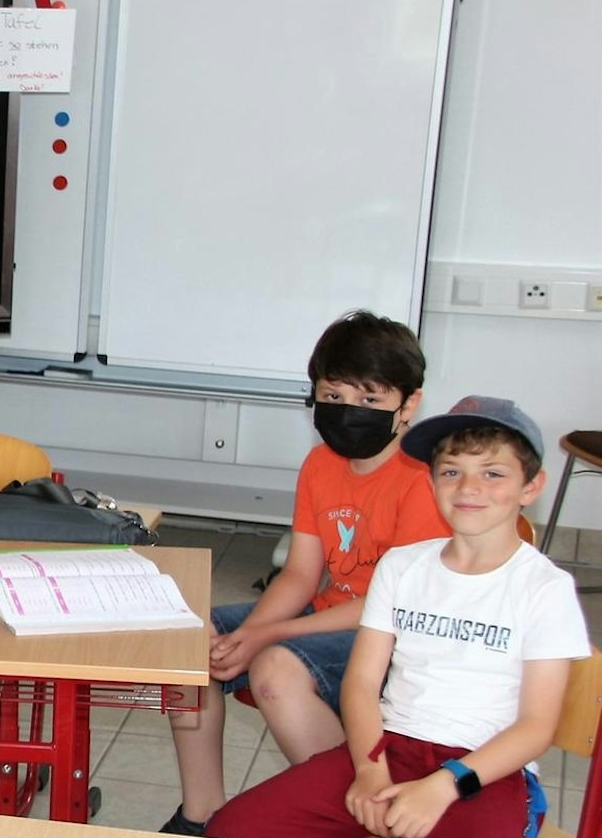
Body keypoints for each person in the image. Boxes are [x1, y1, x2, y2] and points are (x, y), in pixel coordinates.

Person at [207, 396, 587, 838]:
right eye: (451, 472)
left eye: (492, 473)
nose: (468, 488)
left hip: (485, 770)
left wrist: (444, 786)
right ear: (430, 480)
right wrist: (370, 771)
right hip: (390, 749)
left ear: (531, 487)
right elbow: (362, 683)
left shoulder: (545, 588)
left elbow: (537, 726)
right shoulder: (402, 566)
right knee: (234, 827)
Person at [161, 311, 450, 834]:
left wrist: (270, 635)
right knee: (194, 641)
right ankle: (201, 814)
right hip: (332, 614)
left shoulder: (423, 480)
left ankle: (352, 813)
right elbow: (299, 574)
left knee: (276, 668)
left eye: (370, 399)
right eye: (333, 395)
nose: (348, 411)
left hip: (396, 634)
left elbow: (391, 605)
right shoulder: (320, 464)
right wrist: (249, 633)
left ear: (408, 405)